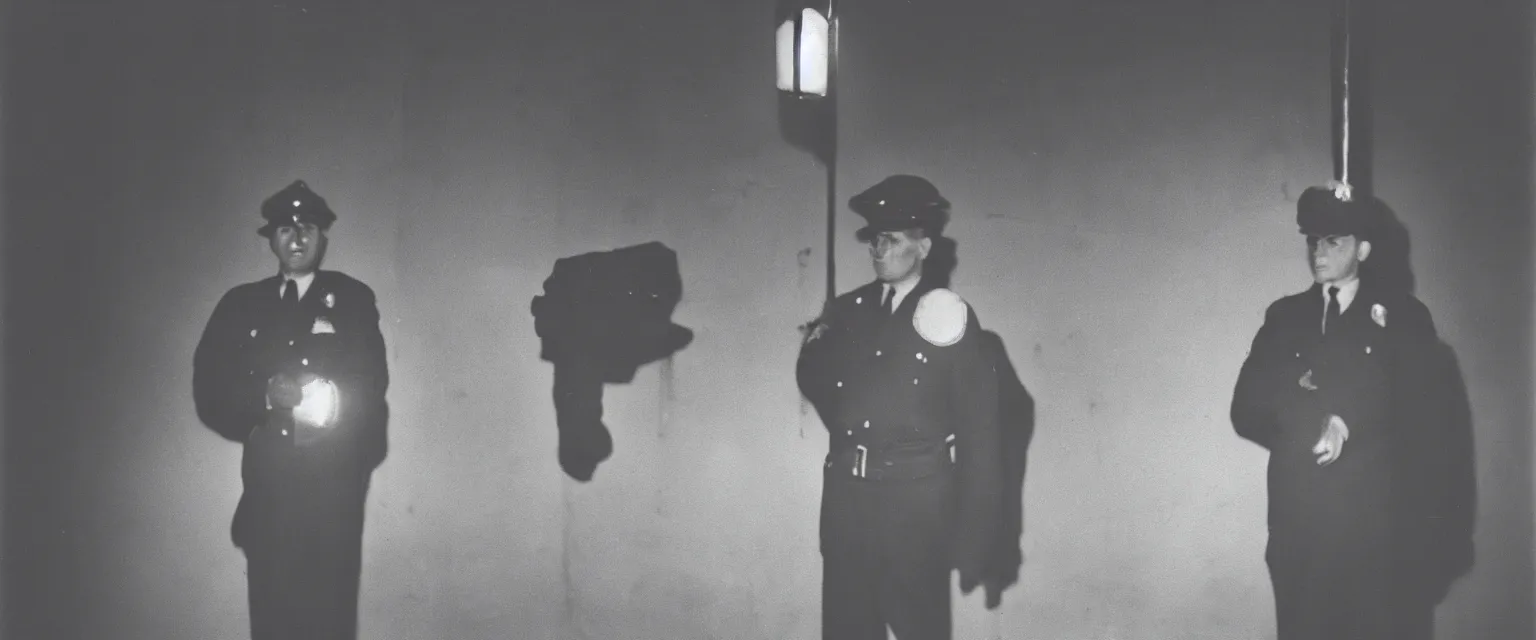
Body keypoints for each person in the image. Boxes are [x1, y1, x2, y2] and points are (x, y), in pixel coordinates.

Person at [1230, 184, 1450, 640]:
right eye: (1313, 239)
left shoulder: (1405, 318)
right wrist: (1316, 416)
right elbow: (1246, 408)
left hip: (1381, 538)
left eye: (1334, 241)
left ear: (1363, 248)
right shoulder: (1284, 318)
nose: (1318, 251)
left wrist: (1345, 416)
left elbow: (1425, 419)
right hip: (1302, 534)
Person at [797, 174, 1002, 640]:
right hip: (848, 510)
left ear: (924, 246)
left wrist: (979, 535)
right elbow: (812, 373)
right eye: (874, 238)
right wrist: (857, 429)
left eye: (891, 239)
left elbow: (981, 431)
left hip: (916, 515)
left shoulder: (949, 317)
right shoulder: (846, 310)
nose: (878, 248)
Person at [193, 180, 389, 640]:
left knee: (329, 616)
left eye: (308, 228)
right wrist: (264, 394)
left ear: (323, 238)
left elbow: (372, 381)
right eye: (285, 228)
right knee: (272, 615)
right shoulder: (241, 304)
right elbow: (210, 386)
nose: (297, 238)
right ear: (271, 239)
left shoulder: (353, 299)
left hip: (332, 489)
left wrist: (320, 395)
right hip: (269, 491)